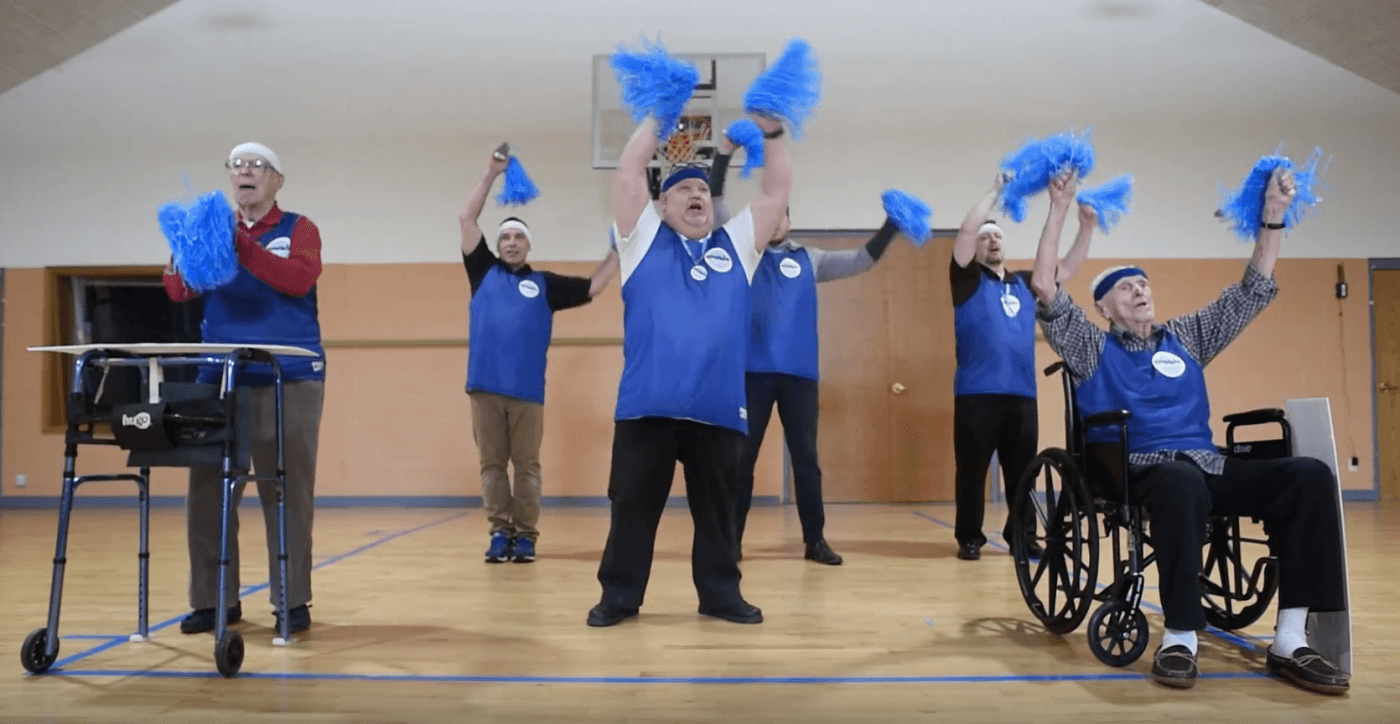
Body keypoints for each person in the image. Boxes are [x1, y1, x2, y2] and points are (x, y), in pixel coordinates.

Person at [1029, 168, 1349, 694]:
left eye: (1144, 283)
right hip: (1136, 469)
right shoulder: (1091, 347)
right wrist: (1059, 207)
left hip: (1207, 464)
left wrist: (1273, 213)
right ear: (1103, 307)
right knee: (1180, 481)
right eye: (1124, 287)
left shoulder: (1187, 336)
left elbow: (1254, 290)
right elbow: (1045, 284)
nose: (1139, 290)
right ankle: (1180, 636)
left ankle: (1292, 638)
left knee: (1309, 476)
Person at [587, 110, 791, 627]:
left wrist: (773, 136)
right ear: (662, 204)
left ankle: (721, 595)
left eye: (703, 188)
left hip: (718, 412)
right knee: (631, 513)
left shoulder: (736, 246)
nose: (697, 194)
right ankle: (619, 597)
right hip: (645, 411)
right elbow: (629, 174)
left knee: (719, 520)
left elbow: (775, 194)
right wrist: (659, 112)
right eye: (684, 189)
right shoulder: (640, 241)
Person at [706, 144, 900, 565]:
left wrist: (891, 225)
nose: (775, 221)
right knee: (742, 461)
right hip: (751, 374)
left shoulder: (810, 259)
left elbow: (861, 261)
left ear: (790, 220)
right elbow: (717, 204)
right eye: (769, 215)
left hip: (799, 377)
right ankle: (731, 541)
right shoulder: (743, 253)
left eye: (782, 214)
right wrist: (723, 155)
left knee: (807, 463)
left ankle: (815, 541)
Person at [163, 141, 325, 635]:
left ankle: (291, 601)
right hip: (218, 375)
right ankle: (213, 602)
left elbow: (298, 279)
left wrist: (244, 248)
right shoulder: (214, 227)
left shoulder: (299, 229)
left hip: (288, 377)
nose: (246, 172)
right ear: (230, 179)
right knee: (207, 493)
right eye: (237, 165)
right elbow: (177, 290)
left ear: (277, 180)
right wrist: (187, 251)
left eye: (258, 165)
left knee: (286, 492)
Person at [459, 144, 619, 563]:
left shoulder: (545, 284)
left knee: (527, 468)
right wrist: (491, 173)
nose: (511, 243)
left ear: (528, 245)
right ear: (499, 245)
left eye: (518, 237)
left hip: (528, 393)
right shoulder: (483, 271)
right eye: (506, 237)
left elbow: (592, 287)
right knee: (492, 467)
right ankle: (500, 533)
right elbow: (466, 218)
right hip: (484, 389)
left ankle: (526, 536)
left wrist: (617, 252)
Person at [949, 173, 1094, 560]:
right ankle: (969, 538)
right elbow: (965, 229)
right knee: (972, 473)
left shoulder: (1025, 283)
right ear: (975, 247)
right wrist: (995, 190)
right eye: (985, 236)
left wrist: (1087, 227)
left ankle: (1022, 537)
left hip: (1021, 396)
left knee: (1022, 474)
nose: (992, 239)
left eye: (996, 235)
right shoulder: (964, 280)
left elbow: (1068, 267)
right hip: (975, 396)